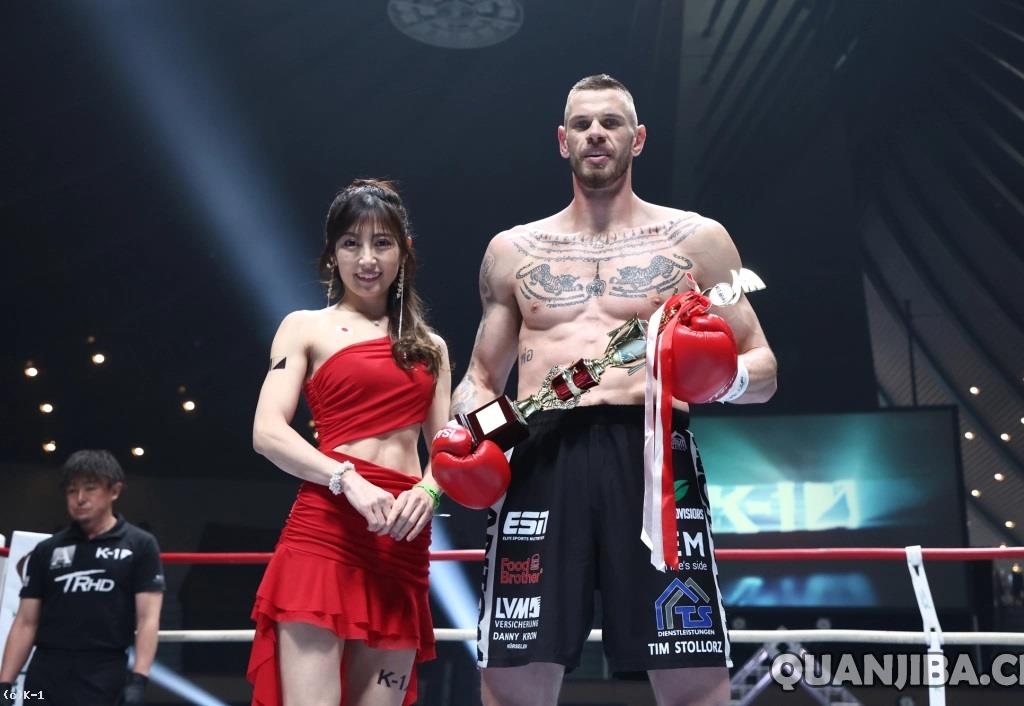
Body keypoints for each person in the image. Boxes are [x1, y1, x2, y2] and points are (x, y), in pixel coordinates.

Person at [432, 75, 777, 706]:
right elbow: (480, 379)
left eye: (611, 123)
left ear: (637, 139)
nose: (597, 134)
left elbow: (764, 367)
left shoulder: (696, 240)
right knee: (514, 671)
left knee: (692, 666)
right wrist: (474, 436)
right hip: (539, 457)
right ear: (562, 141)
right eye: (583, 124)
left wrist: (721, 380)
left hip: (654, 456)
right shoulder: (513, 251)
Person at [247, 179, 450, 706]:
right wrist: (346, 478)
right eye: (351, 243)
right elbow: (267, 431)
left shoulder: (431, 346)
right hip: (327, 532)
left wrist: (429, 491)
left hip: (402, 542)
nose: (366, 259)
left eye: (381, 243)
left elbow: (446, 451)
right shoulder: (304, 327)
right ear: (331, 253)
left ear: (404, 252)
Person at [0, 450, 165, 706]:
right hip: (44, 677)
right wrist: (5, 686)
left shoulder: (140, 545)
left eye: (90, 488)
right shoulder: (47, 550)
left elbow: (148, 619)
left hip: (104, 674)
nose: (80, 498)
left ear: (114, 491)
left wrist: (139, 679)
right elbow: (25, 622)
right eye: (71, 490)